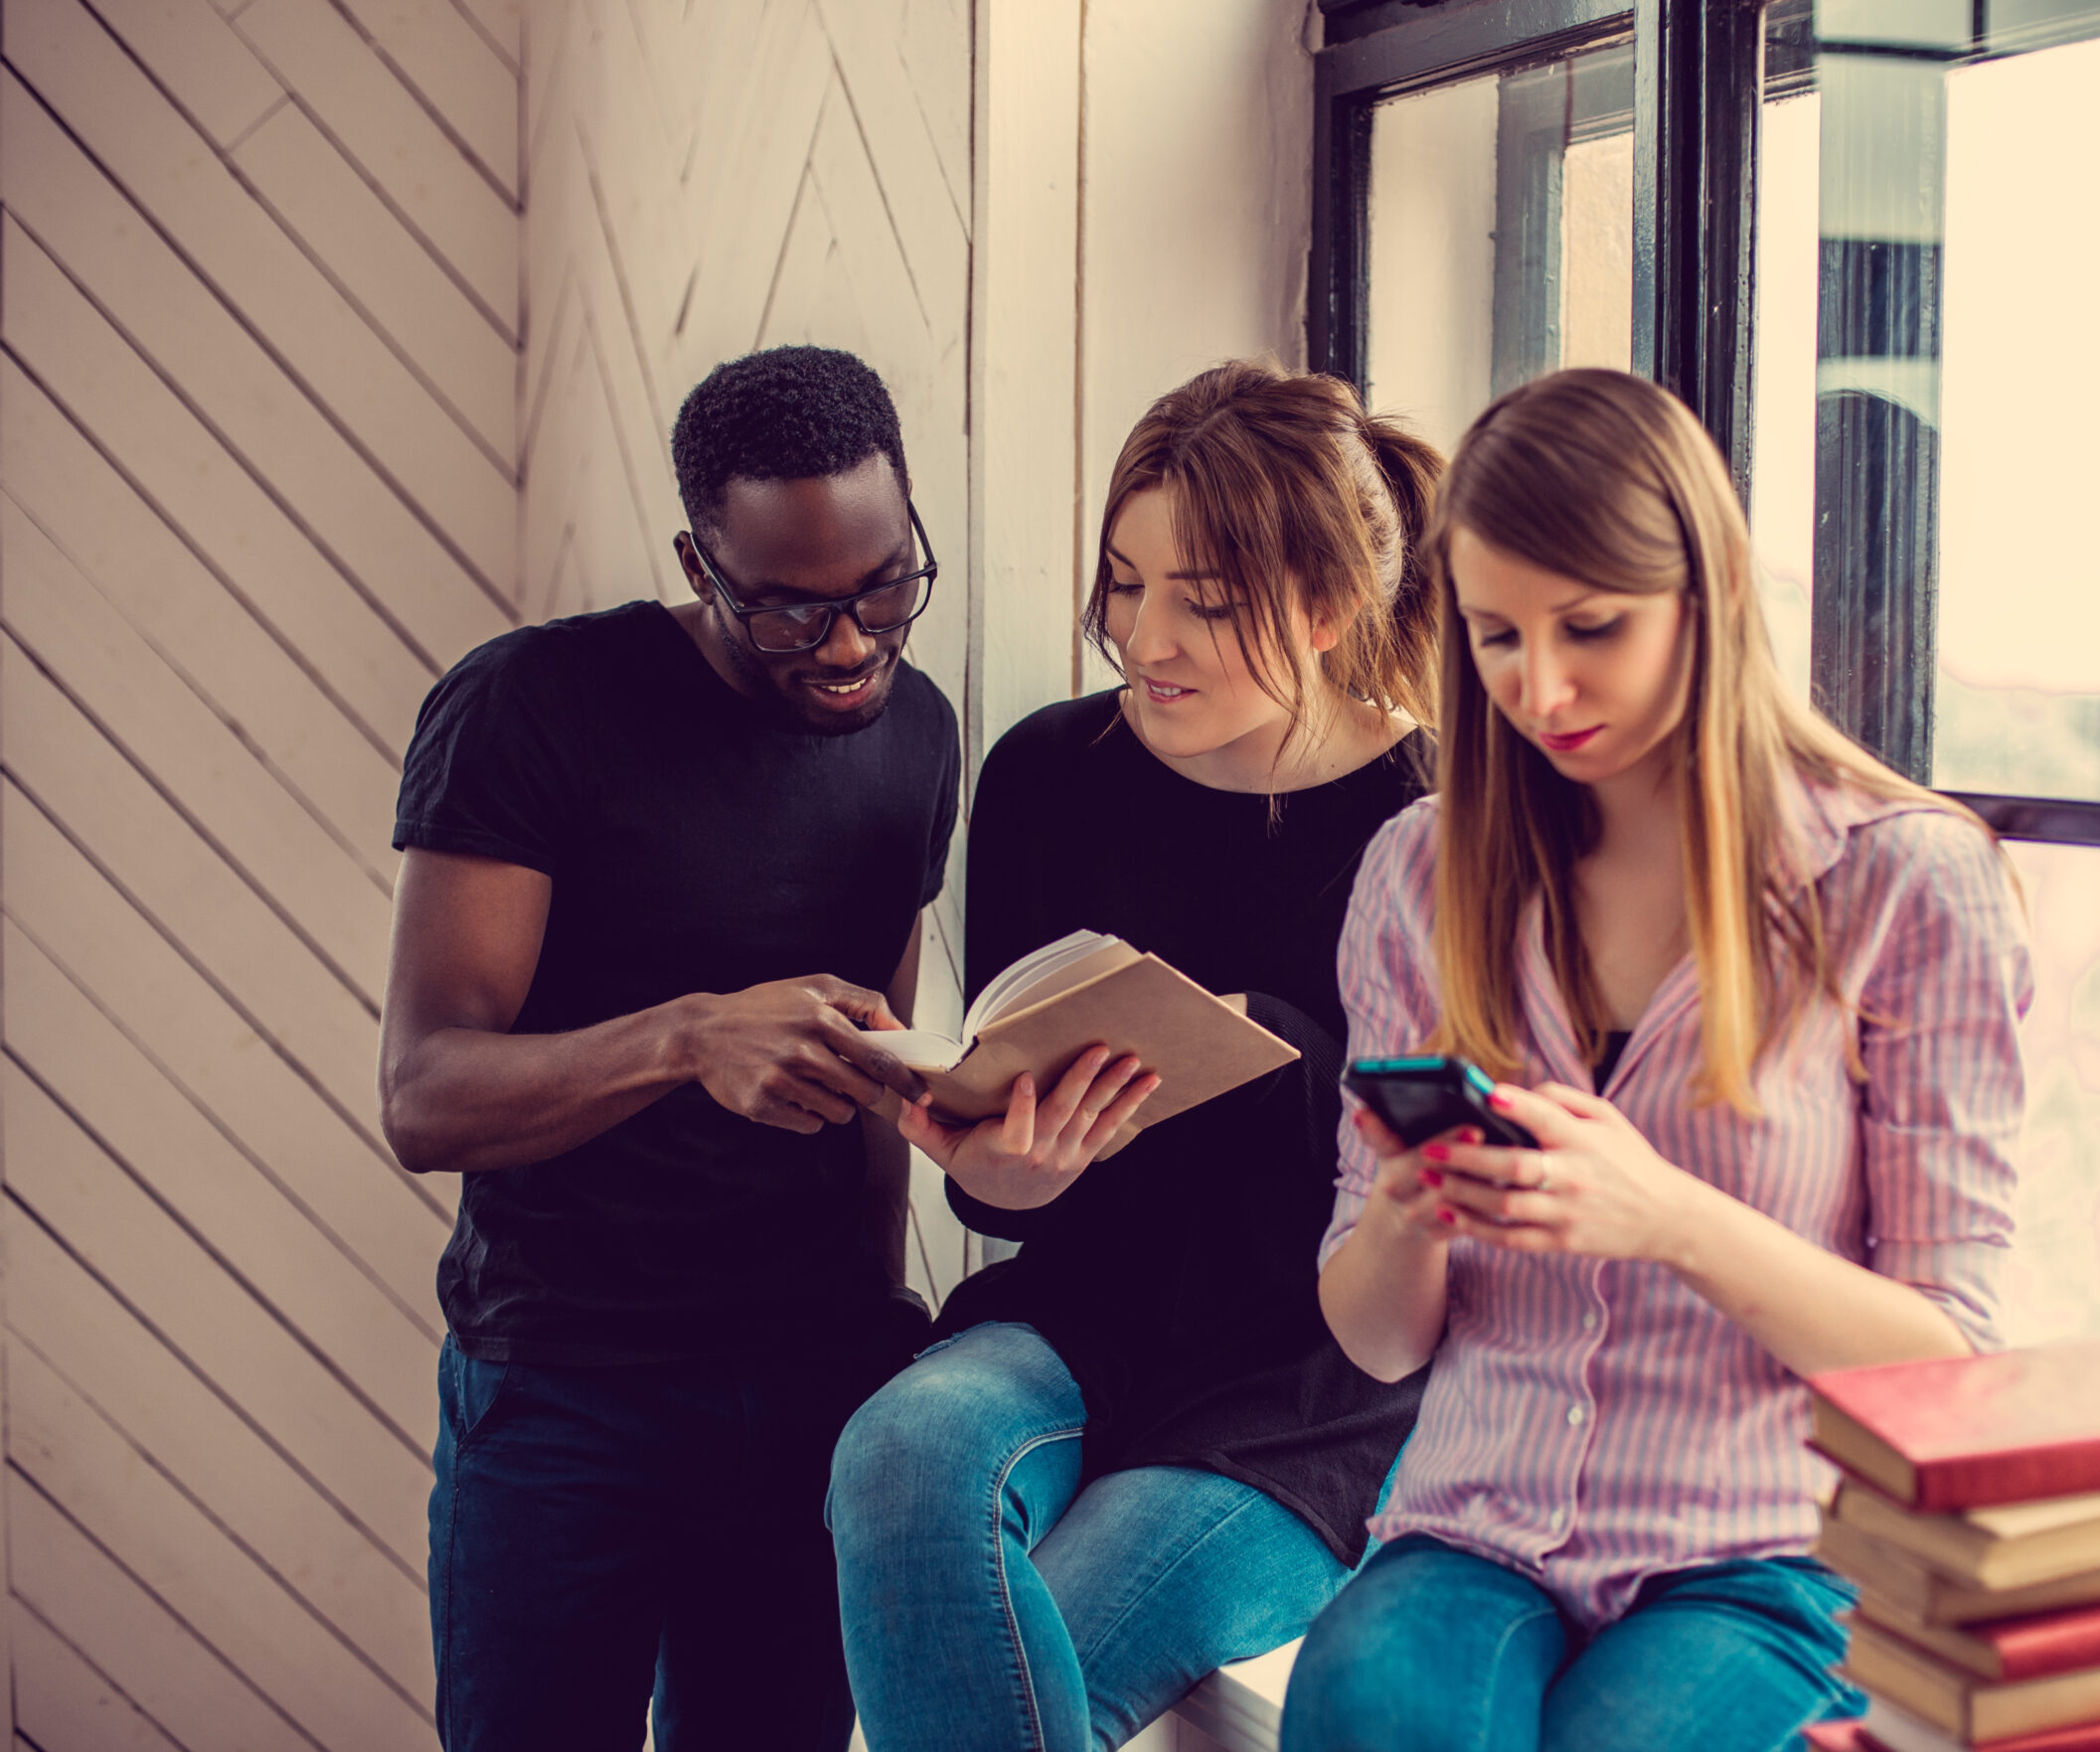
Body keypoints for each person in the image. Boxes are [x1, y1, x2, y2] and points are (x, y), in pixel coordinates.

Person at [1283, 369, 2032, 1752]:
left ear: (1711, 595)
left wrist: (1670, 1218)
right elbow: (1375, 1339)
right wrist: (1405, 1213)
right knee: (1366, 1709)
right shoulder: (1419, 872)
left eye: (1592, 628)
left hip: (1770, 1551)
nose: (1541, 686)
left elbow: (1951, 1367)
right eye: (1497, 637)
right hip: (1472, 1526)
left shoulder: (1906, 882)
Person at [826, 362, 1441, 1751]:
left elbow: (1454, 1198)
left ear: (1327, 607)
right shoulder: (1047, 773)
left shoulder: (1438, 824)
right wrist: (1009, 1172)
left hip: (1310, 1388)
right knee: (899, 1451)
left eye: (1204, 602)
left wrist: (1275, 1045)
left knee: (1037, 1648)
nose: (1144, 638)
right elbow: (1006, 1177)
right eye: (1124, 583)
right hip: (1080, 1318)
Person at [381, 345, 960, 1752]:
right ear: (700, 566)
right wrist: (688, 1037)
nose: (849, 645)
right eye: (792, 610)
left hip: (813, 1389)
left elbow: (873, 1077)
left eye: (885, 587)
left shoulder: (918, 736)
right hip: (566, 1396)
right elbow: (425, 1092)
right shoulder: (532, 707)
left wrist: (875, 1314)